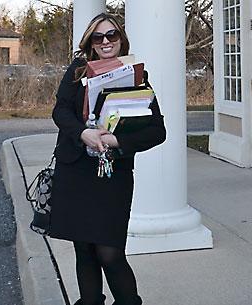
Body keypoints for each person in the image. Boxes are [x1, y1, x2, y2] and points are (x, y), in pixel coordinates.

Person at [49, 13, 166, 305]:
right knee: (84, 249)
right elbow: (60, 111)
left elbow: (157, 130)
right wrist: (82, 134)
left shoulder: (136, 75)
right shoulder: (78, 70)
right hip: (76, 170)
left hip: (112, 174)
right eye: (98, 37)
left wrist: (117, 140)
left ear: (121, 39)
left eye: (111, 35)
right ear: (90, 41)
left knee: (109, 252)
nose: (105, 42)